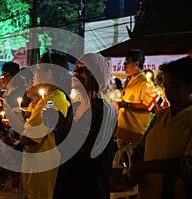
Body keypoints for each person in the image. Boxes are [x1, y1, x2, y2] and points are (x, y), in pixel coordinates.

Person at [53, 53, 117, 199]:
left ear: (97, 77)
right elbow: (63, 149)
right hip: (67, 181)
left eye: (84, 69)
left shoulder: (105, 111)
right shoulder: (73, 107)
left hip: (90, 187)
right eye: (75, 69)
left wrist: (66, 128)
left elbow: (94, 155)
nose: (76, 73)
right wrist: (55, 127)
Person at [129, 56, 192, 199]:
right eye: (166, 87)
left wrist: (146, 167)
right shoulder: (161, 115)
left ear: (190, 87)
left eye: (174, 87)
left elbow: (188, 165)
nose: (168, 92)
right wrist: (136, 164)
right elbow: (141, 147)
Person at [15, 52, 71, 199]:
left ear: (49, 73)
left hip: (42, 171)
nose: (34, 72)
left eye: (38, 68)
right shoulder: (51, 98)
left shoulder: (51, 101)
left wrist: (17, 123)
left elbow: (28, 137)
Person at [115, 49, 156, 148]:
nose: (124, 65)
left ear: (136, 64)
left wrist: (127, 105)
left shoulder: (145, 82)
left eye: (127, 62)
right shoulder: (129, 80)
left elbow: (149, 106)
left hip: (136, 132)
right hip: (123, 130)